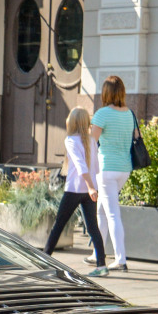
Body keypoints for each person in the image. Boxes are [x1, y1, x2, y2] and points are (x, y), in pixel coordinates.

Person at [44, 108, 109, 278]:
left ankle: (44, 260)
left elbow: (81, 165)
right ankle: (102, 265)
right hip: (90, 190)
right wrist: (92, 187)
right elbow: (95, 166)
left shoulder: (71, 140)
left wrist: (89, 186)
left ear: (72, 122)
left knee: (58, 225)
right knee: (93, 228)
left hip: (75, 189)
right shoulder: (92, 140)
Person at [90, 75, 135, 272]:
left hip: (106, 168)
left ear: (106, 93)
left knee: (112, 214)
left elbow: (91, 142)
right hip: (124, 168)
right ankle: (96, 253)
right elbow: (134, 137)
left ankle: (120, 259)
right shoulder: (129, 114)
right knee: (101, 210)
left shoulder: (102, 114)